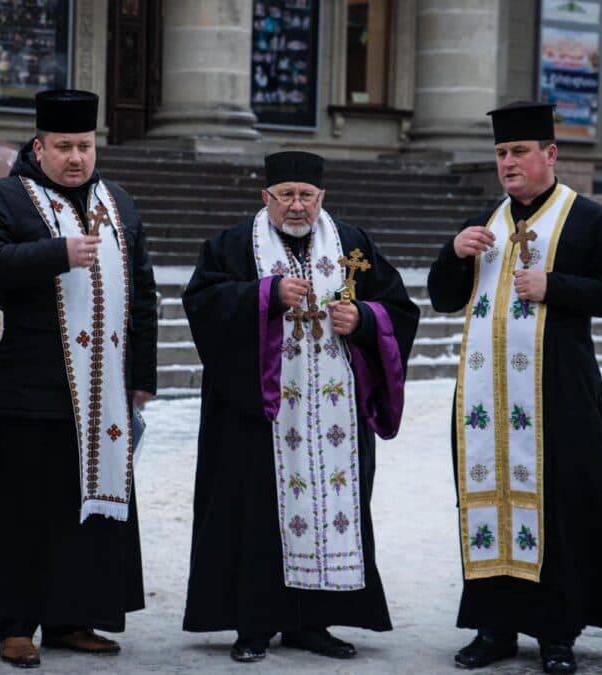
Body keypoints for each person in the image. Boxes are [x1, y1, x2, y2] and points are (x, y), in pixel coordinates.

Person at [426, 101, 602, 674]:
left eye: (518, 152)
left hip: (558, 394)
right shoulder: (486, 222)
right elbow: (443, 298)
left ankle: (557, 634)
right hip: (487, 399)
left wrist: (554, 286)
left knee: (559, 506)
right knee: (490, 505)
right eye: (501, 154)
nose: (508, 163)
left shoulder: (588, 219)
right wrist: (452, 255)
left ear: (550, 155)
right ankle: (495, 629)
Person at [181, 151, 419, 663]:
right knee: (254, 513)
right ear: (264, 197)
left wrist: (363, 320)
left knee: (329, 510)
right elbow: (202, 302)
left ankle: (312, 622)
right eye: (285, 195)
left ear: (321, 199)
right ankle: (253, 624)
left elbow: (399, 307)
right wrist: (263, 294)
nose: (296, 205)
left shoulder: (352, 245)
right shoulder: (230, 245)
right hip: (258, 415)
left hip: (333, 419)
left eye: (306, 196)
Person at [0, 89, 158, 669]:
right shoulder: (5, 197)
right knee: (26, 507)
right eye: (65, 147)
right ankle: (15, 624)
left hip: (105, 389)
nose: (76, 157)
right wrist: (56, 253)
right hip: (32, 384)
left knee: (88, 505)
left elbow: (143, 292)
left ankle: (74, 617)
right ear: (38, 146)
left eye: (86, 146)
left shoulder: (117, 202)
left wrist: (141, 374)